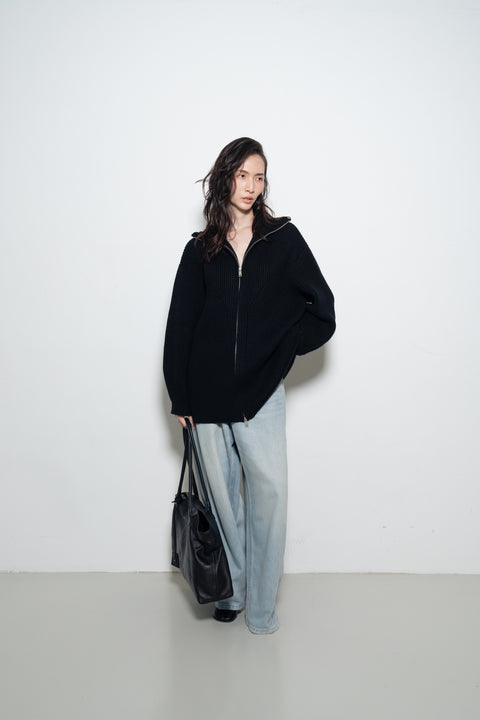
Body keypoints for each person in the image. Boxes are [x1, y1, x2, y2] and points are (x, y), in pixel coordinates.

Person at [163, 137, 335, 634]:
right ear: (225, 178)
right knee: (223, 505)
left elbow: (322, 311)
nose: (251, 186)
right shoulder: (200, 249)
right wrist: (181, 395)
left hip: (261, 396)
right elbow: (180, 326)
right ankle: (232, 592)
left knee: (270, 502)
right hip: (206, 397)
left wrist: (280, 352)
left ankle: (261, 608)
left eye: (259, 177)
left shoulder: (283, 240)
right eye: (243, 175)